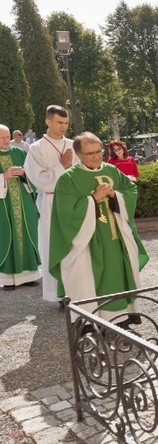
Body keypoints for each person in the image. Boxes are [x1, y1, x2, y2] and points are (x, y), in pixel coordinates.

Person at [48, 132, 148, 326]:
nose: (96, 156)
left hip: (116, 238)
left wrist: (115, 195)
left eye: (98, 151)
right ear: (78, 154)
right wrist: (92, 199)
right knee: (88, 279)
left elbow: (130, 191)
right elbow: (65, 213)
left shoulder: (112, 171)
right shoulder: (68, 179)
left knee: (120, 275)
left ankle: (122, 319)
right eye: (89, 153)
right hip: (88, 242)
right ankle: (91, 322)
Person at [24, 105, 76, 304]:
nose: (63, 127)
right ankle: (59, 295)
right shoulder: (36, 148)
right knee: (53, 247)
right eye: (59, 122)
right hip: (51, 202)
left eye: (66, 123)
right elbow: (40, 180)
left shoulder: (73, 144)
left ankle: (78, 289)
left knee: (76, 245)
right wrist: (61, 166)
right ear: (48, 122)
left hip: (74, 202)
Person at [0, 124, 40, 290]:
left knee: (27, 232)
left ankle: (28, 276)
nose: (6, 140)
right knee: (7, 237)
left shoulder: (20, 153)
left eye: (7, 136)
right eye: (2, 138)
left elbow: (33, 175)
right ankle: (8, 279)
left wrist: (24, 174)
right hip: (4, 206)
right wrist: (3, 176)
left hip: (24, 202)